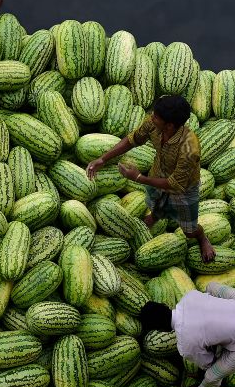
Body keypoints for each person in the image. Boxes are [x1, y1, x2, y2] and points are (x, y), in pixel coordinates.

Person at [87, 95, 216, 262]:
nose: (151, 117)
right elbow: (132, 140)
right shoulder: (154, 123)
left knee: (188, 230)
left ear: (169, 125)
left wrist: (139, 177)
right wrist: (103, 159)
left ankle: (202, 238)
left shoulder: (190, 148)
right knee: (156, 205)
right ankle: (156, 216)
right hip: (158, 174)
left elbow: (175, 184)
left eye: (155, 116)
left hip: (183, 188)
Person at [139, 282, 235, 387]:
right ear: (164, 305)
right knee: (211, 286)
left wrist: (203, 382)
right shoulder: (189, 296)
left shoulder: (186, 346)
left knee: (211, 376)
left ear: (161, 330)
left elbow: (209, 363)